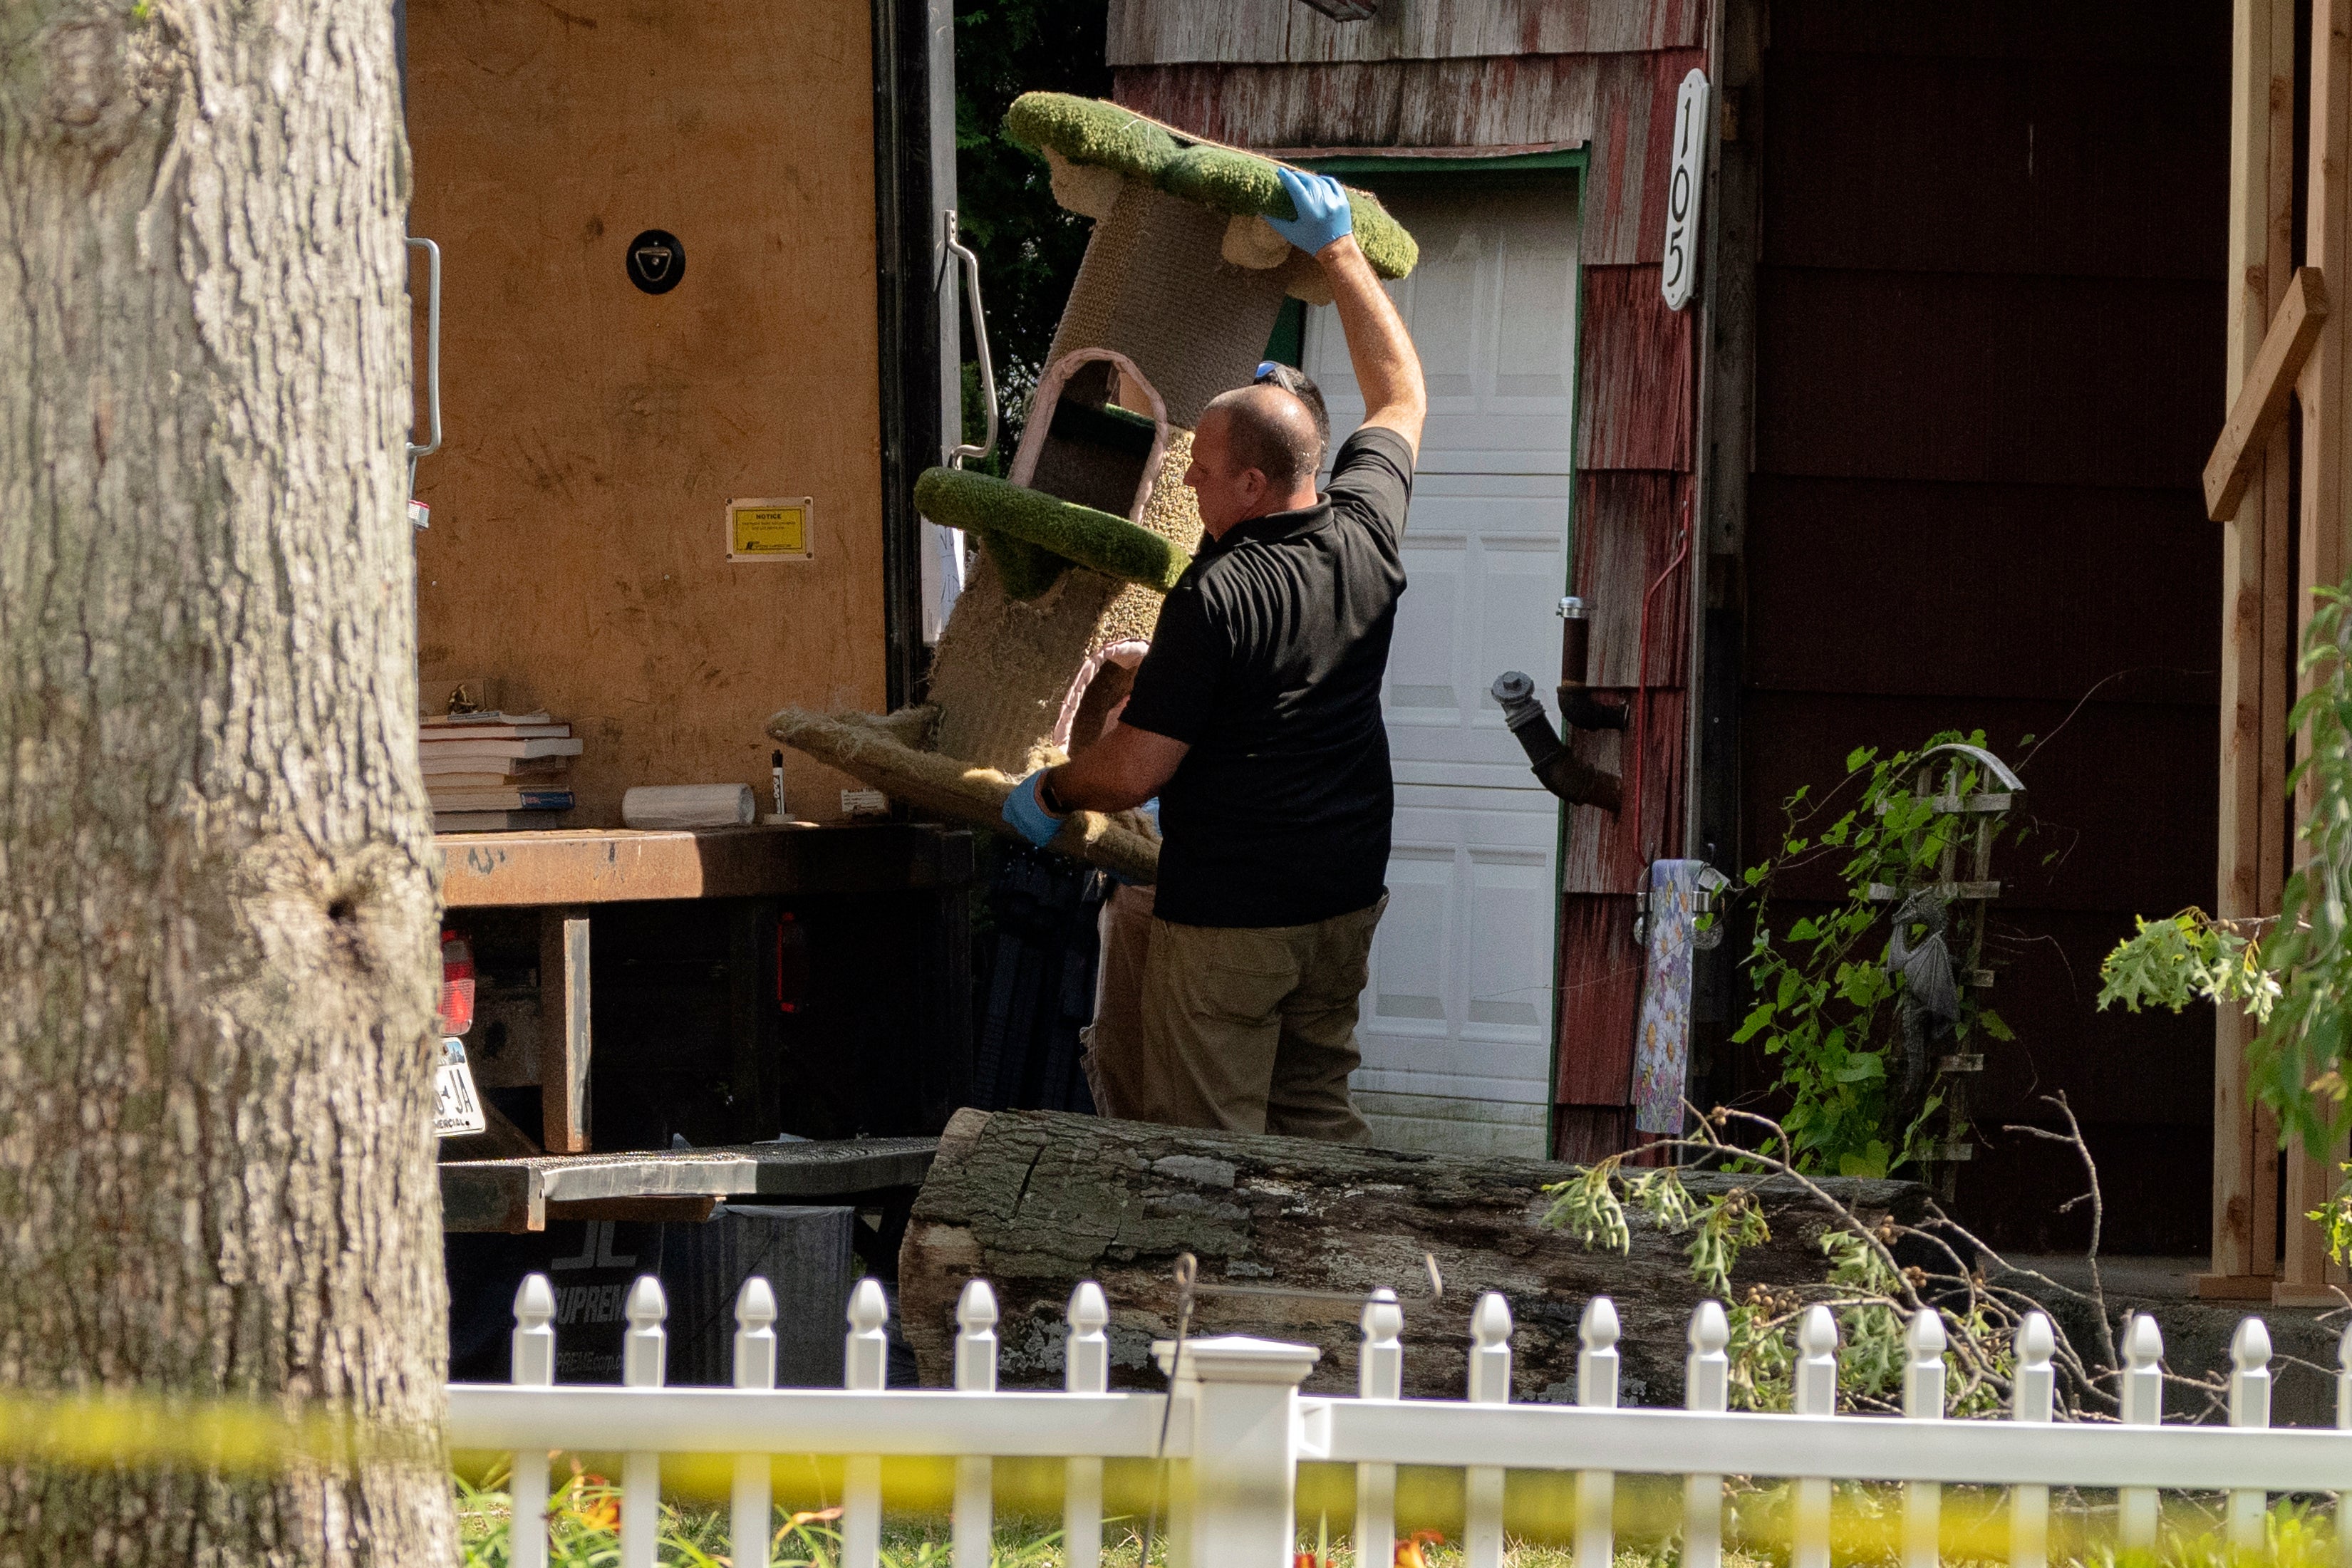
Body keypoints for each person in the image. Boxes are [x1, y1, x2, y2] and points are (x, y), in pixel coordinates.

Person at [1003, 167, 1427, 1142]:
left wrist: (1053, 793)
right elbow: (1400, 393)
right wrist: (1336, 250)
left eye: (1199, 471)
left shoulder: (1217, 593)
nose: (1185, 482)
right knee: (1315, 1129)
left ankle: (1222, 1300)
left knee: (1211, 1148)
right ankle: (1349, 1294)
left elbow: (1135, 770)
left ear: (1248, 480)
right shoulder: (1365, 527)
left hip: (1234, 913)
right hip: (1343, 900)